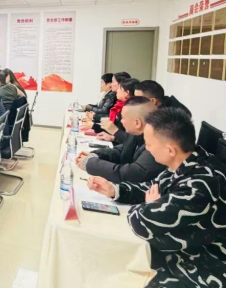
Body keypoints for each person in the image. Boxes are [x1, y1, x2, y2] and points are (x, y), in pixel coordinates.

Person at [87, 108, 226, 288]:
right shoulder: (189, 160)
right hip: (176, 254)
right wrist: (114, 190)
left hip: (200, 268)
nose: (147, 149)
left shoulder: (200, 185)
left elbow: (141, 223)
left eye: (149, 144)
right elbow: (151, 188)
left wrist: (152, 204)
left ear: (170, 150)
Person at [76, 97, 165, 183]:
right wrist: (95, 155)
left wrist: (91, 164)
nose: (121, 121)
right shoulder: (137, 134)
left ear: (137, 123)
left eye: (123, 118)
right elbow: (121, 151)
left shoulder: (156, 144)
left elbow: (132, 173)